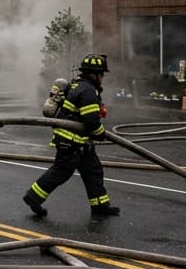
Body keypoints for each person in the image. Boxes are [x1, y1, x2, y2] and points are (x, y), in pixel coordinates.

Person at [23, 54, 120, 219]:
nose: (103, 77)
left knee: (93, 171)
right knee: (61, 171)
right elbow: (91, 121)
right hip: (71, 140)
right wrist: (101, 134)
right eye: (101, 74)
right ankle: (33, 197)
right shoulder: (88, 90)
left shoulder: (78, 85)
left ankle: (100, 206)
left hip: (80, 141)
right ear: (93, 74)